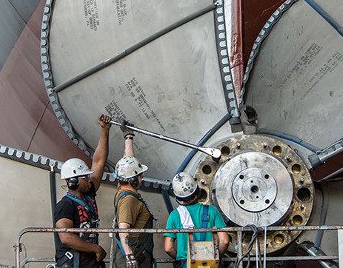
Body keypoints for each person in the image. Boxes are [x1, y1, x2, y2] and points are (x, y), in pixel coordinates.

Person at [54, 114, 111, 268]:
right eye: (83, 177)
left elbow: (98, 162)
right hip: (75, 263)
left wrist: (105, 130)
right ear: (72, 181)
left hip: (90, 263)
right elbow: (66, 237)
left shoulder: (89, 194)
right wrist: (96, 248)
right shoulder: (65, 206)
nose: (88, 179)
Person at [164, 172, 230, 267]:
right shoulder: (212, 211)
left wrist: (180, 259)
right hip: (210, 263)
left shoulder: (174, 215)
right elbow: (224, 241)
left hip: (185, 263)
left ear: (178, 197)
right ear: (197, 191)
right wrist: (217, 257)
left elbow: (168, 248)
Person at [113, 123, 154, 268]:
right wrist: (130, 257)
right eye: (139, 176)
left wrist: (128, 137)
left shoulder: (122, 187)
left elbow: (128, 161)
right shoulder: (128, 200)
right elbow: (123, 229)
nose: (141, 179)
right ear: (132, 179)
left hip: (135, 254)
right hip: (134, 256)